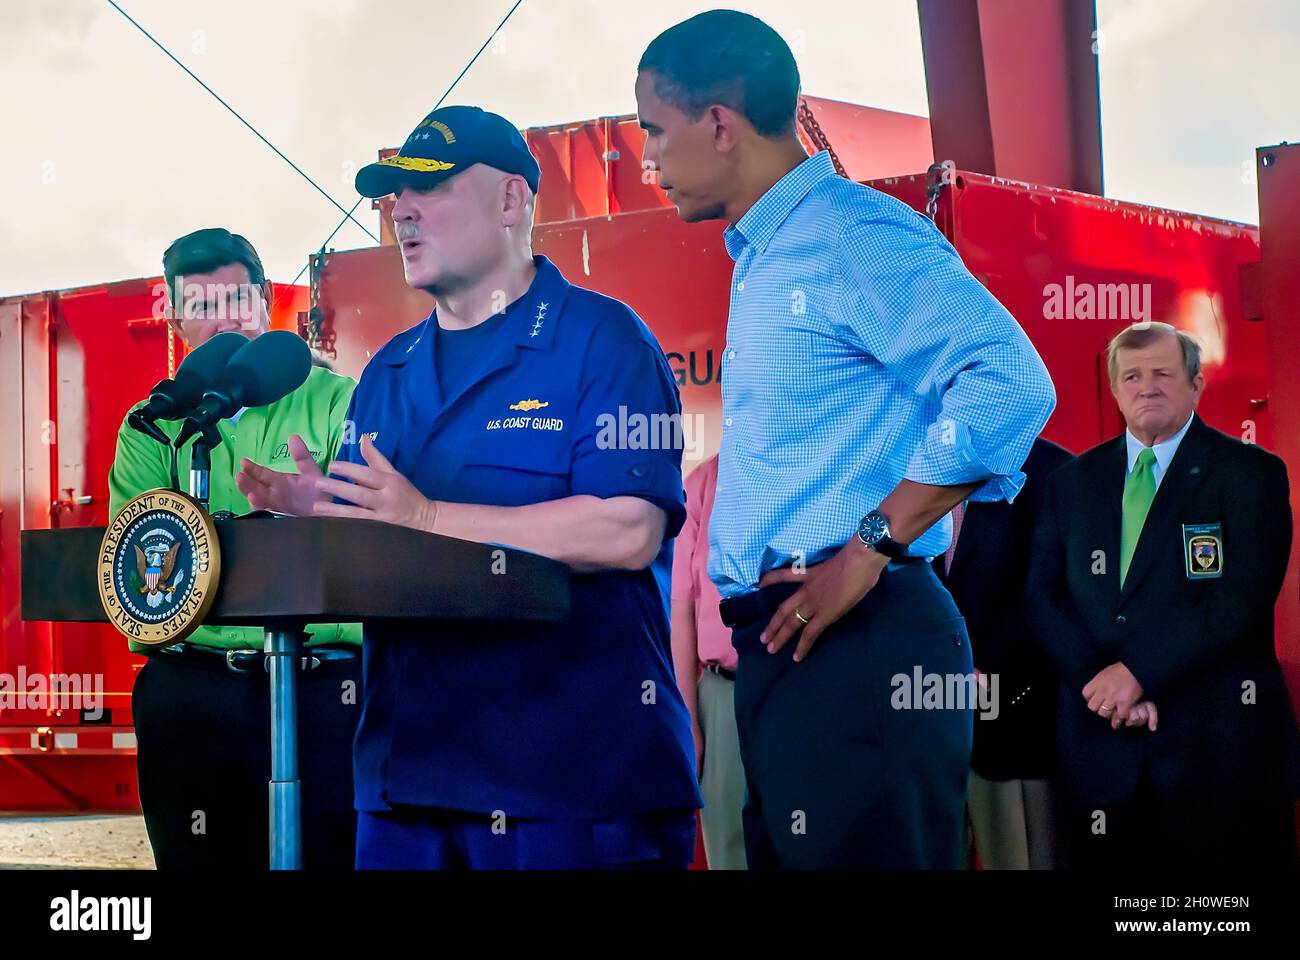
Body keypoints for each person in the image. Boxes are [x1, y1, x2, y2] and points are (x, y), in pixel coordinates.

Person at [635, 11, 1055, 868]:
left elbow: (1013, 382)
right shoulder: (766, 255)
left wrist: (868, 547)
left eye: (654, 129)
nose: (647, 158)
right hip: (792, 653)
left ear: (719, 123)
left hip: (861, 653)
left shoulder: (846, 233)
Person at [236, 105, 702, 869]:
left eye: (433, 188)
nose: (400, 211)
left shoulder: (602, 340)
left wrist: (421, 514)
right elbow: (385, 551)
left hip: (571, 784)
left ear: (513, 201)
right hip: (408, 785)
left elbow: (625, 531)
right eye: (392, 196)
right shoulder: (387, 372)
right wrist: (327, 519)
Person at [108, 227, 360, 869]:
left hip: (326, 692)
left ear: (264, 301)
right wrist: (280, 534)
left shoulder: (337, 401)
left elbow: (367, 542)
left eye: (235, 302)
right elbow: (145, 571)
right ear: (176, 320)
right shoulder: (151, 424)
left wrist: (233, 542)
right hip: (192, 695)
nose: (221, 321)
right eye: (199, 306)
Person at [1028, 321, 1300, 870]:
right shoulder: (1071, 483)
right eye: (1131, 376)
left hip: (1218, 755)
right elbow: (1043, 597)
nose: (1145, 386)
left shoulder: (1252, 474)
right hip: (1101, 749)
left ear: (1196, 385)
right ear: (1115, 389)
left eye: (1162, 374)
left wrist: (1138, 675)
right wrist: (1100, 686)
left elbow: (1240, 602)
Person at [934, 437, 1073, 869]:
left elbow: (1061, 600)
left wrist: (986, 672)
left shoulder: (1057, 473)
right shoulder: (912, 465)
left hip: (1017, 723)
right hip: (926, 722)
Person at [670, 452, 746, 869]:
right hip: (722, 694)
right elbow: (681, 605)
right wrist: (688, 720)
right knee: (728, 846)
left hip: (801, 683)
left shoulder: (816, 464)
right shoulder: (703, 481)